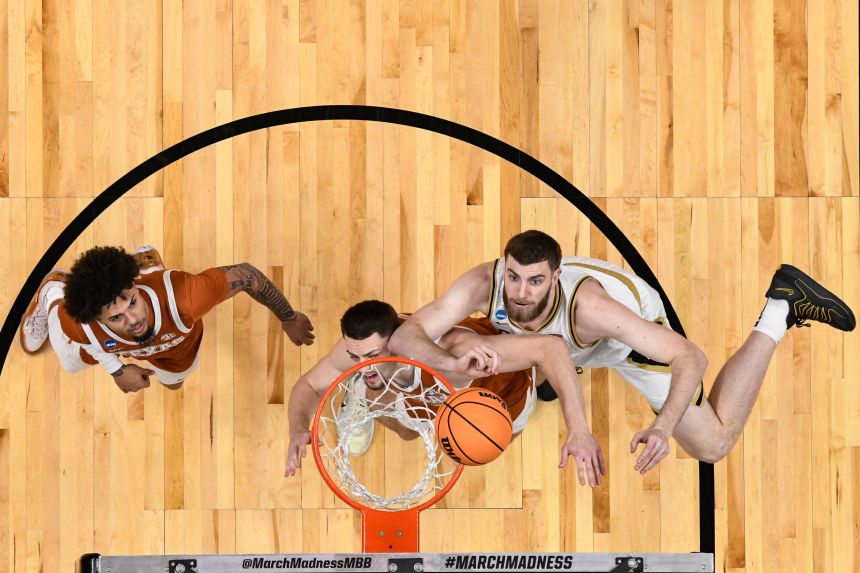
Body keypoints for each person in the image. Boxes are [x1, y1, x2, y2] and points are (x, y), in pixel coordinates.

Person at [389, 230, 856, 477]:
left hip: (620, 340)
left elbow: (691, 357)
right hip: (560, 344)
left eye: (534, 281)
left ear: (554, 278)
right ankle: (553, 374)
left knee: (712, 444)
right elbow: (406, 335)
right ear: (504, 267)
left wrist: (662, 426)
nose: (520, 291)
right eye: (513, 277)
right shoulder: (483, 283)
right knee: (462, 348)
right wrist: (450, 363)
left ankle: (781, 305)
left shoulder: (594, 312)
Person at [284, 300, 606, 487]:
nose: (363, 366)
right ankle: (359, 398)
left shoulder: (457, 352)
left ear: (398, 339)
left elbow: (550, 348)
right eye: (356, 358)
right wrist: (298, 427)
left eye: (373, 357)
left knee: (506, 431)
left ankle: (543, 379)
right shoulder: (358, 351)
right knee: (408, 432)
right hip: (432, 399)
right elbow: (309, 386)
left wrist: (578, 429)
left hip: (500, 393)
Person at [19, 245, 315, 393]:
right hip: (106, 342)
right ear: (97, 319)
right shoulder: (79, 321)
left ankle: (147, 266)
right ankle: (52, 291)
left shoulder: (186, 297)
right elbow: (95, 335)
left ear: (132, 285)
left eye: (132, 301)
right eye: (117, 318)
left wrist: (288, 317)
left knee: (173, 385)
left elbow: (247, 276)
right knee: (70, 364)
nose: (134, 320)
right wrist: (116, 370)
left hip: (175, 348)